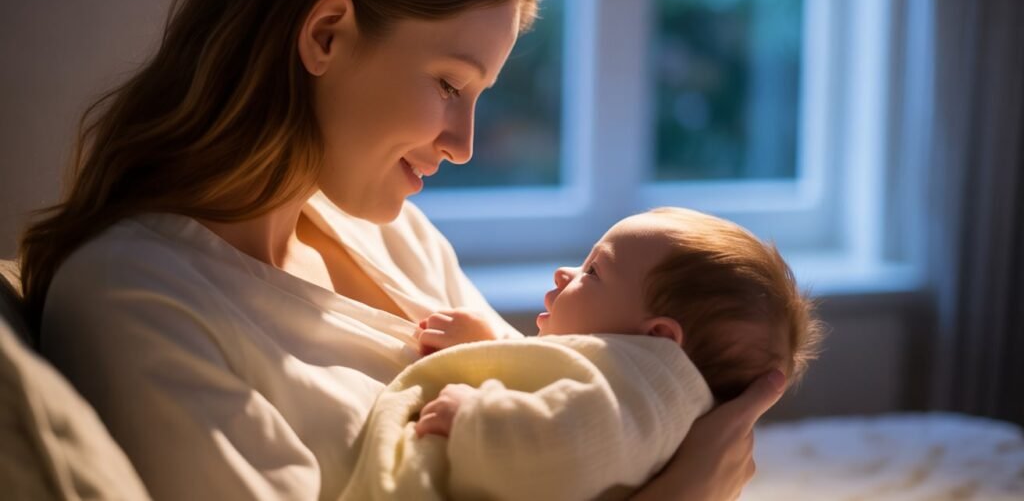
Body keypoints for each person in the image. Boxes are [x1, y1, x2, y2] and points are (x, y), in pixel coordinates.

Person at [17, 0, 789, 499]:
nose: (463, 145)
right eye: (450, 86)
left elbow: (559, 439)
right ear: (326, 35)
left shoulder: (397, 235)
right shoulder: (138, 296)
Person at [340, 207, 823, 500]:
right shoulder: (640, 393)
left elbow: (565, 448)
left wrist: (477, 418)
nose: (563, 273)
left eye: (594, 271)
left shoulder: (645, 391)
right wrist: (486, 348)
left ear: (657, 339)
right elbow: (556, 387)